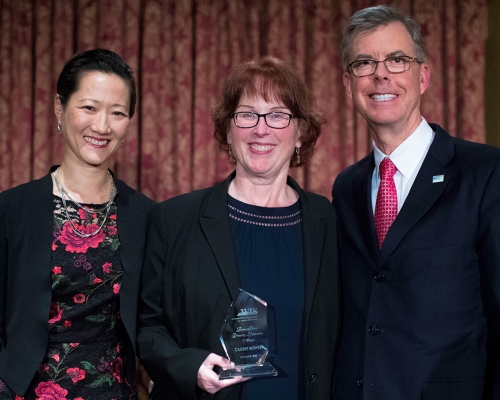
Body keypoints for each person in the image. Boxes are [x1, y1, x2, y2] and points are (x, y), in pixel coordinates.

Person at [137, 56, 340, 400]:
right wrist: (190, 366)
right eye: (247, 114)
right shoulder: (174, 220)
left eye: (278, 115)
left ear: (300, 133)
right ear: (228, 131)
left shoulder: (328, 221)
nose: (261, 129)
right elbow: (146, 328)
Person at [331, 5, 500, 400]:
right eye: (364, 62)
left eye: (396, 59)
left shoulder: (486, 172)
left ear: (422, 76)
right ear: (347, 83)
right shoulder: (346, 188)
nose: (380, 74)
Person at [0, 49, 155, 399]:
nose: (102, 126)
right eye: (89, 108)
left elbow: (156, 319)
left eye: (117, 113)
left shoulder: (145, 215)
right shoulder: (12, 210)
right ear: (60, 108)